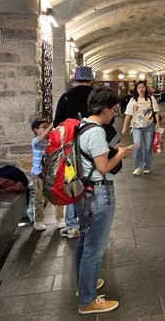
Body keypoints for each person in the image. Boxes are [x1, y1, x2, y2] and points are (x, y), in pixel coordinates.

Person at [74, 87, 135, 315]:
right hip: (98, 193)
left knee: (84, 240)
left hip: (82, 191)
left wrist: (112, 151)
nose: (114, 114)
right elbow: (103, 167)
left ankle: (84, 285)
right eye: (114, 109)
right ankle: (88, 300)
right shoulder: (97, 131)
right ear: (106, 109)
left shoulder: (82, 125)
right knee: (94, 248)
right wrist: (119, 154)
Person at [53, 65, 95, 239]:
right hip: (92, 143)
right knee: (92, 181)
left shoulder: (66, 97)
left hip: (70, 147)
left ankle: (72, 225)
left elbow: (57, 123)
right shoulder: (95, 96)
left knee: (72, 182)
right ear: (90, 80)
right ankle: (90, 222)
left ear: (76, 79)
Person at [29, 118, 65, 231]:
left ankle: (60, 219)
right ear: (35, 130)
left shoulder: (51, 141)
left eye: (47, 127)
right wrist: (51, 125)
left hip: (51, 174)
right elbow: (40, 139)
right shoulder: (35, 141)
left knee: (58, 196)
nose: (46, 130)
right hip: (38, 174)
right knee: (39, 199)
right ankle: (38, 221)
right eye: (43, 127)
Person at [122, 80, 160, 175]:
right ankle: (137, 166)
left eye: (143, 87)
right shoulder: (133, 100)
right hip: (136, 126)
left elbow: (156, 112)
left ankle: (147, 166)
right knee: (137, 145)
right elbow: (128, 115)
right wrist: (124, 127)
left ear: (146, 88)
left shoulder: (151, 99)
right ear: (136, 89)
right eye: (139, 87)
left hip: (149, 126)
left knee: (148, 147)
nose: (141, 89)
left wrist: (158, 123)